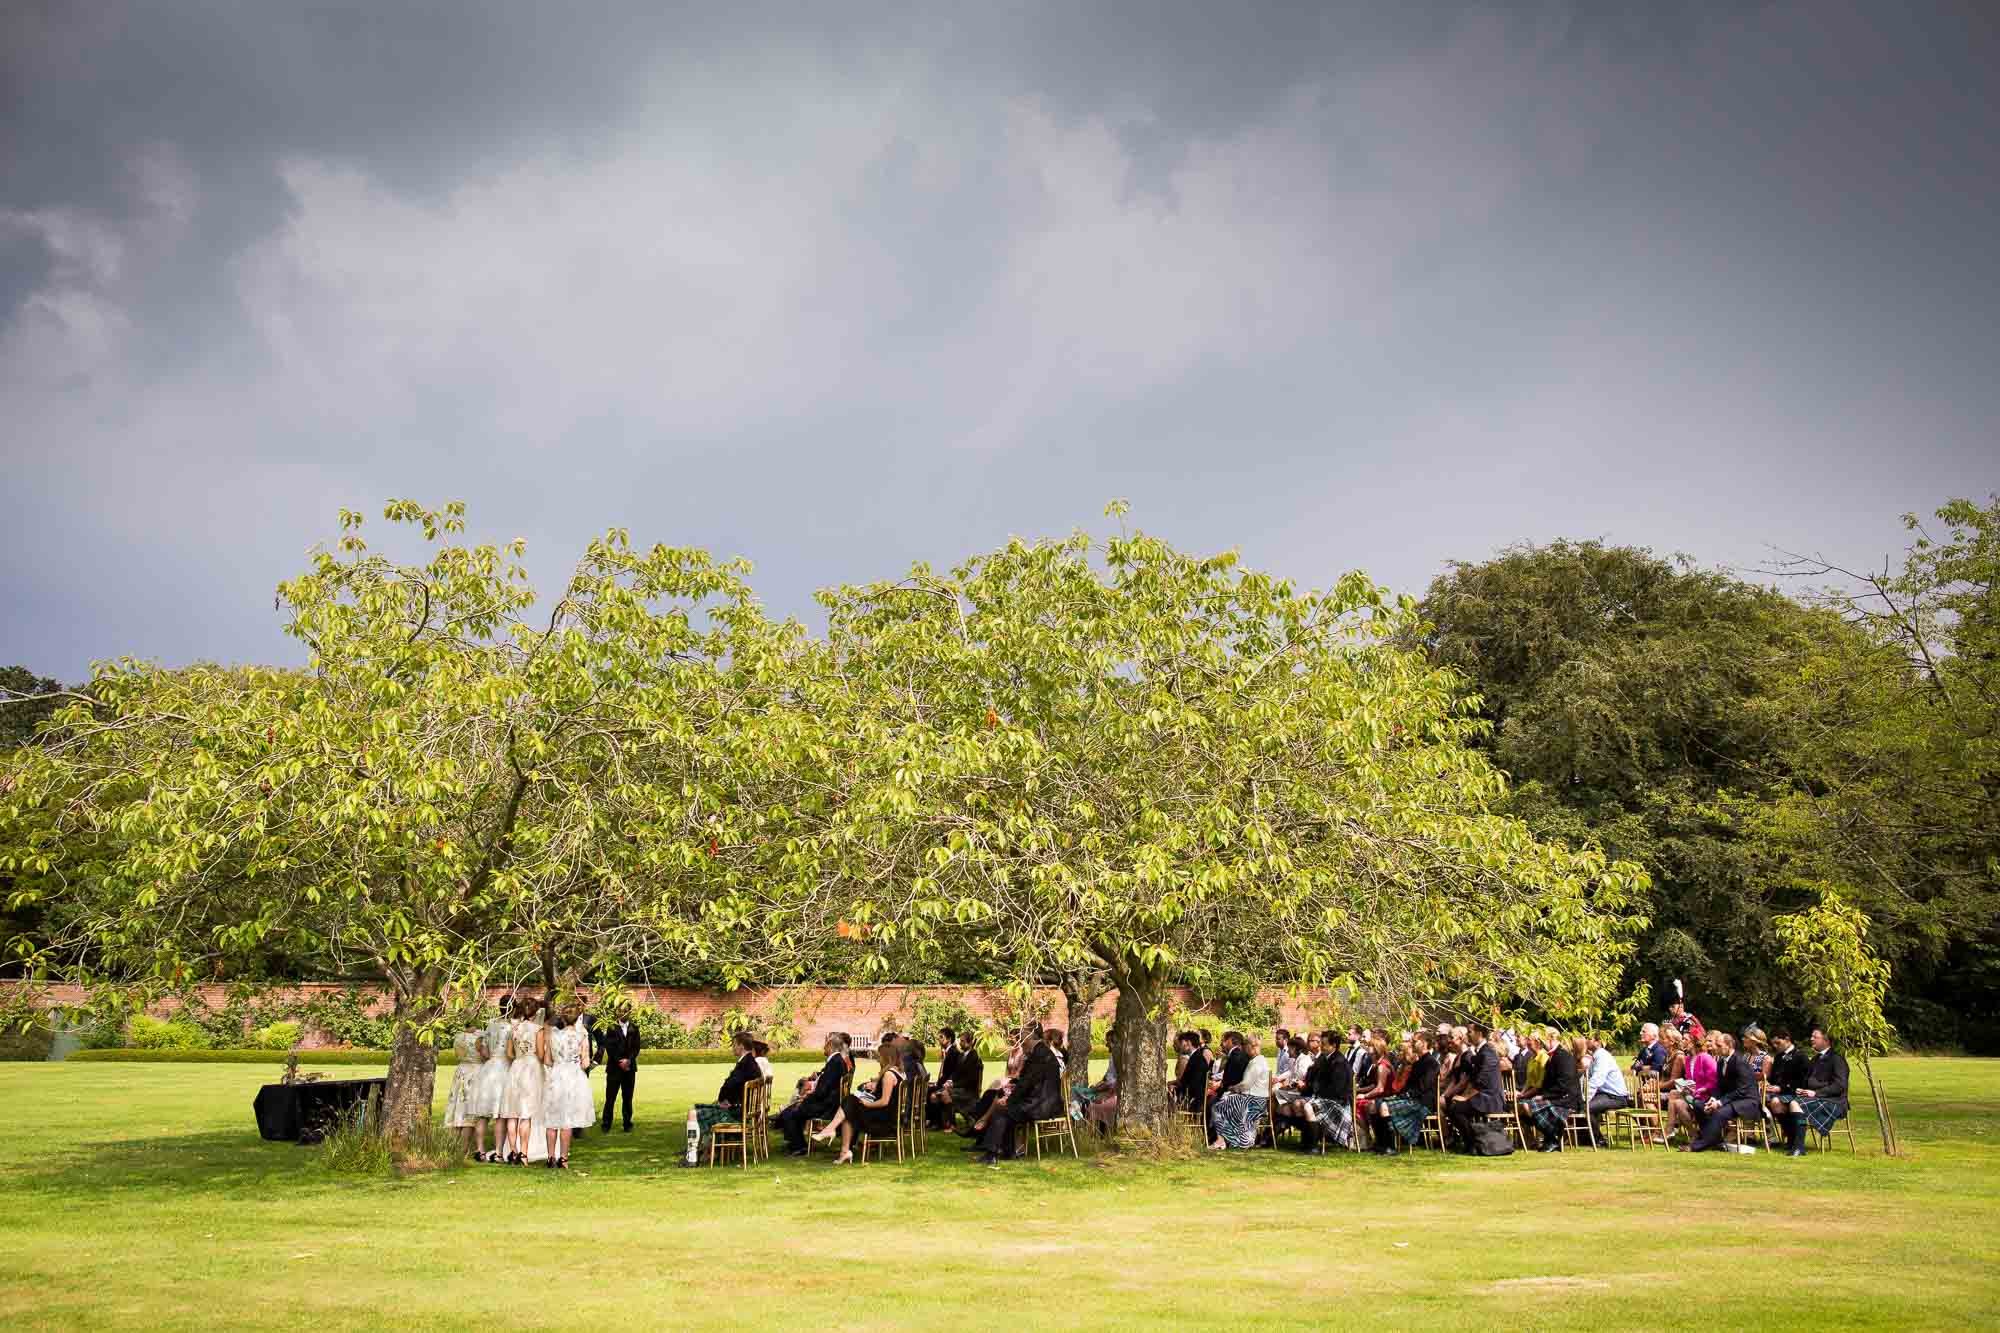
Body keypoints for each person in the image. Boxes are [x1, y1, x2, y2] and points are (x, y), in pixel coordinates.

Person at [977, 1024, 1060, 1166]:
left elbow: (1026, 1084)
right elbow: (1025, 1080)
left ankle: (992, 1154)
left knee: (1002, 1111)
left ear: (1030, 1034)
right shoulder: (1038, 1051)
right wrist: (1012, 1084)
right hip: (1038, 1100)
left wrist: (1009, 1099)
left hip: (1041, 1105)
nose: (1020, 1036)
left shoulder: (1040, 1054)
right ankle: (1006, 1152)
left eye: (1023, 1032)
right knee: (1004, 1108)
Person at [817, 1038, 906, 1165]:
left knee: (850, 1102)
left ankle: (831, 1130)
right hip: (889, 1116)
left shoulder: (888, 1075)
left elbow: (885, 1101)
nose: (877, 1059)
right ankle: (844, 1151)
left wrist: (867, 1103)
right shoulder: (898, 1072)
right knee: (849, 1106)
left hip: (883, 1121)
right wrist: (875, 1087)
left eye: (879, 1057)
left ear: (886, 1057)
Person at [685, 1032, 765, 1166]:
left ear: (741, 1046)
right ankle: (700, 1149)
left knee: (692, 1114)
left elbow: (729, 1085)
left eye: (734, 1045)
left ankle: (691, 1156)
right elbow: (733, 1086)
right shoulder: (751, 1063)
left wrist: (724, 1100)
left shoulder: (745, 1065)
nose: (732, 1048)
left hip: (736, 1114)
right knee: (701, 1107)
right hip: (742, 1111)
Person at [1778, 1026, 1851, 1156]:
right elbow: (1807, 1081)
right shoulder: (1815, 1059)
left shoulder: (1837, 1059)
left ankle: (1799, 1147)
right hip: (1815, 1098)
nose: (1811, 1039)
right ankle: (1792, 1141)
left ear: (1826, 1040)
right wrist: (1802, 1089)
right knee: (1779, 1102)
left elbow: (1840, 1086)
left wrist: (1816, 1093)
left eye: (1815, 1037)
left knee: (1795, 1104)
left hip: (1834, 1101)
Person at [777, 1033, 851, 1156]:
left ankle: (798, 1146)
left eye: (825, 1044)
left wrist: (806, 1098)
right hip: (828, 1102)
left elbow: (822, 1091)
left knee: (789, 1113)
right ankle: (795, 1143)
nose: (823, 1047)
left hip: (826, 1106)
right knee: (790, 1111)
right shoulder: (837, 1061)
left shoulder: (834, 1062)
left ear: (830, 1046)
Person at [540, 1005, 593, 1169]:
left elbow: (547, 1061)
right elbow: (585, 1063)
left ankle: (550, 1157)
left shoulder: (553, 1035)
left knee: (552, 1118)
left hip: (556, 1076)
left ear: (562, 1018)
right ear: (578, 1018)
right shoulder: (582, 1035)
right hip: (573, 1077)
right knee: (567, 1120)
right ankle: (563, 1158)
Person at [1688, 1032, 1760, 1152]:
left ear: (1729, 1045)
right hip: (1731, 1099)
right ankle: (1715, 1140)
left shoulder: (1740, 1062)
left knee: (1719, 1112)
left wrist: (1720, 1102)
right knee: (1699, 1105)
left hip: (1747, 1101)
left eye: (1719, 1045)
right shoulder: (1721, 1062)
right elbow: (1718, 1086)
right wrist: (1713, 1098)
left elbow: (1742, 1090)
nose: (1716, 1048)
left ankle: (1698, 1146)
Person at [499, 995, 546, 1165]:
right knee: (526, 1113)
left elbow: (509, 1054)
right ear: (535, 1012)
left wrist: (520, 1056)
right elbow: (541, 1054)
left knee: (512, 1113)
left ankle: (513, 1151)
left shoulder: (515, 1029)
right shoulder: (538, 1029)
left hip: (516, 1067)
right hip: (531, 1068)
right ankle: (524, 1153)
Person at [1443, 1022, 1504, 1152]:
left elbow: (1481, 1081)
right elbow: (1472, 1076)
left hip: (1490, 1098)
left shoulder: (1488, 1052)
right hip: (1481, 1096)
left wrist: (1465, 1097)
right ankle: (1471, 1142)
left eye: (1470, 1032)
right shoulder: (1480, 1051)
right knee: (1452, 1106)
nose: (1468, 1035)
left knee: (1456, 1109)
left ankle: (1472, 1143)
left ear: (1479, 1033)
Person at [1375, 1032, 1438, 1152]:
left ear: (1424, 1044)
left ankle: (1391, 1146)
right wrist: (1400, 1095)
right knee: (1378, 1102)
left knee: (1384, 1106)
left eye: (1415, 1041)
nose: (1412, 1044)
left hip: (1422, 1103)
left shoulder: (1432, 1063)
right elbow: (1408, 1085)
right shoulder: (1418, 1063)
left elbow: (1423, 1086)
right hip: (1412, 1099)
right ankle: (1382, 1143)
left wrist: (1407, 1095)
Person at [1209, 1034, 1270, 1151]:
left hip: (1253, 1101)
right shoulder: (1259, 1060)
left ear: (1250, 1046)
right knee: (1226, 1101)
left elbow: (1245, 1085)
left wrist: (1232, 1088)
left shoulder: (1256, 1063)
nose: (1243, 1049)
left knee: (1217, 1106)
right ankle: (1238, 1139)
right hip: (1257, 1100)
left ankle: (1221, 1140)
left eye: (1245, 1046)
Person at [1520, 1035, 1581, 1152]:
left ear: (1552, 1039)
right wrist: (1539, 1095)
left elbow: (1564, 1085)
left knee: (1527, 1106)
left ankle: (1552, 1138)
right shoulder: (1551, 1057)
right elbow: (1545, 1084)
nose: (1542, 1044)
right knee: (1522, 1106)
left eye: (1543, 1040)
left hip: (1567, 1100)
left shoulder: (1564, 1057)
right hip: (1556, 1097)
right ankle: (1551, 1137)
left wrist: (1543, 1096)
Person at [471, 994, 513, 1163]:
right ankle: (498, 1152)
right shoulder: (512, 1027)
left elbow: (484, 1051)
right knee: (500, 1115)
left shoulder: (490, 1025)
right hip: (504, 1068)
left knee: (482, 1114)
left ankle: (480, 1151)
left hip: (489, 1069)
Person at [1299, 1031, 1356, 1152]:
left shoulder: (1339, 1062)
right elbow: (1316, 1079)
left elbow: (1337, 1090)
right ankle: (1307, 1141)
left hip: (1339, 1103)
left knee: (1308, 1107)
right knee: (1300, 1104)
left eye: (1324, 1044)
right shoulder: (1325, 1059)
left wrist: (1316, 1093)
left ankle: (1313, 1147)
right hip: (1326, 1098)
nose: (1321, 1047)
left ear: (1333, 1045)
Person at [598, 1003, 641, 1134]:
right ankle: (606, 1124)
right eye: (620, 1011)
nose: (622, 1014)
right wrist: (619, 1061)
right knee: (610, 1097)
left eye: (625, 1011)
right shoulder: (611, 1028)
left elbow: (636, 1047)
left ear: (629, 1012)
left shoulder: (635, 1028)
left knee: (627, 1097)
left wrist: (629, 1060)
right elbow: (610, 1047)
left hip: (630, 1068)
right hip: (614, 1069)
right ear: (616, 1012)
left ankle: (627, 1123)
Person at [444, 1023, 485, 1156]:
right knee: (470, 1111)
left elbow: (457, 1055)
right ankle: (464, 1148)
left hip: (461, 1071)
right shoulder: (480, 1037)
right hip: (475, 1072)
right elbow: (484, 1055)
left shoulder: (458, 1037)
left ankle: (453, 1146)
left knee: (458, 1107)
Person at [930, 1028, 983, 1130]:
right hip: (959, 1087)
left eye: (963, 1041)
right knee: (934, 1096)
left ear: (970, 1042)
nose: (961, 1044)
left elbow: (970, 1079)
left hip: (968, 1090)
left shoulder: (973, 1057)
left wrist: (954, 1085)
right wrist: (950, 1081)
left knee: (944, 1094)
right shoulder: (962, 1055)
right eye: (960, 1041)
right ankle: (940, 1123)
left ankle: (952, 1124)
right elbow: (956, 1073)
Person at [1584, 1033, 1631, 1146]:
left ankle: (1599, 1140)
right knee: (1581, 1105)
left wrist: (1586, 1098)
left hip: (1616, 1097)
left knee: (1586, 1107)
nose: (1586, 1041)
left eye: (1589, 1039)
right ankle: (1586, 1138)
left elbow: (1597, 1080)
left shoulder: (1602, 1057)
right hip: (1605, 1095)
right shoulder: (1595, 1057)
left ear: (1598, 1042)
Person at [1207, 1032, 1250, 1142]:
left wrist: (1219, 1089)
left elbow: (1231, 1080)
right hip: (1238, 1092)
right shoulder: (1238, 1054)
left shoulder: (1235, 1056)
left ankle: (1216, 1136)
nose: (1222, 1044)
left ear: (1230, 1041)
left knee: (1212, 1103)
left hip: (1236, 1094)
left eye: (1224, 1041)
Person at [1173, 1031, 1210, 1113]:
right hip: (1192, 1095)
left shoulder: (1197, 1059)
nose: (1180, 1045)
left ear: (1188, 1043)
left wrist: (1176, 1088)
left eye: (1181, 1042)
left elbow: (1193, 1084)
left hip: (1194, 1099)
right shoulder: (1196, 1057)